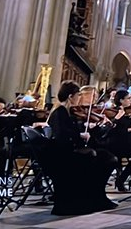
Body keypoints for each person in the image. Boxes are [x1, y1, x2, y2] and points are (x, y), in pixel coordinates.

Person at [46, 80, 118, 215]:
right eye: (78, 95)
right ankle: (89, 199)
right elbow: (63, 136)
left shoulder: (65, 111)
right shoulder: (60, 112)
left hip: (68, 149)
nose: (79, 98)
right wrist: (80, 135)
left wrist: (84, 132)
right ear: (70, 96)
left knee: (108, 158)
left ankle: (98, 197)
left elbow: (70, 132)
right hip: (62, 154)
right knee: (96, 157)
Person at [107, 89, 131, 192]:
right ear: (121, 100)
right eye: (128, 98)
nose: (130, 100)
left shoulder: (128, 112)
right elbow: (114, 131)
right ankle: (123, 179)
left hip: (129, 142)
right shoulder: (114, 112)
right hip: (117, 143)